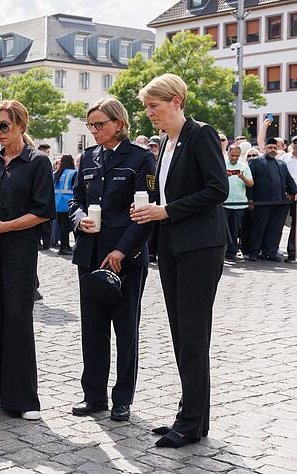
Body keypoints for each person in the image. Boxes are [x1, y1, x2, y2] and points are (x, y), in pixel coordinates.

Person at [131, 73, 229, 448]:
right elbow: (169, 193)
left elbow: (216, 189)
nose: (149, 113)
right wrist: (152, 210)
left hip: (201, 246)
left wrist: (167, 211)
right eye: (146, 107)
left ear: (175, 100)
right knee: (181, 333)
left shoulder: (200, 133)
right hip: (173, 246)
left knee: (192, 333)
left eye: (153, 106)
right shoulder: (166, 142)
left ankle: (190, 422)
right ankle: (192, 415)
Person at [69, 98, 155, 423]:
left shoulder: (141, 159)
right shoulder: (88, 157)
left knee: (125, 330)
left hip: (124, 258)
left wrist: (123, 250)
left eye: (99, 124)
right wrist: (79, 220)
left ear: (119, 123)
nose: (94, 131)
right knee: (92, 329)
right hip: (90, 254)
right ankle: (94, 396)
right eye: (90, 125)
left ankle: (122, 398)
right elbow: (76, 201)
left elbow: (146, 213)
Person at [0, 100, 54, 419]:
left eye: (4, 126)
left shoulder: (37, 162)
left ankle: (23, 398)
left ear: (21, 125)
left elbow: (43, 211)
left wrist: (5, 225)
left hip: (19, 247)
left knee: (17, 316)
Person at [246, 138, 297, 262]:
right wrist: (250, 200)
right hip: (261, 203)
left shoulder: (281, 164)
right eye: (270, 148)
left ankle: (271, 252)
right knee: (259, 228)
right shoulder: (255, 162)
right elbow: (249, 184)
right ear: (265, 149)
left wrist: (294, 192)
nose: (272, 150)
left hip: (279, 204)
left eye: (274, 148)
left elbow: (290, 183)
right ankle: (254, 252)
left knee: (275, 230)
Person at [223, 144, 254, 261]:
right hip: (225, 203)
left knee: (235, 229)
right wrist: (223, 176)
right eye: (232, 155)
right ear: (228, 153)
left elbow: (251, 183)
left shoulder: (244, 166)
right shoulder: (221, 165)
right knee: (223, 229)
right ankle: (222, 252)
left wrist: (243, 177)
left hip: (240, 203)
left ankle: (232, 252)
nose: (235, 158)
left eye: (237, 155)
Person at [53, 154, 77, 255]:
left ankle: (64, 246)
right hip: (69, 203)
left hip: (57, 204)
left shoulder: (56, 173)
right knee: (71, 227)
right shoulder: (73, 173)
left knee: (62, 227)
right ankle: (65, 248)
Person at [286, 136, 297, 263]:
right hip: (287, 197)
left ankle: (292, 252)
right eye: (295, 142)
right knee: (280, 224)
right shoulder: (284, 158)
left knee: (295, 226)